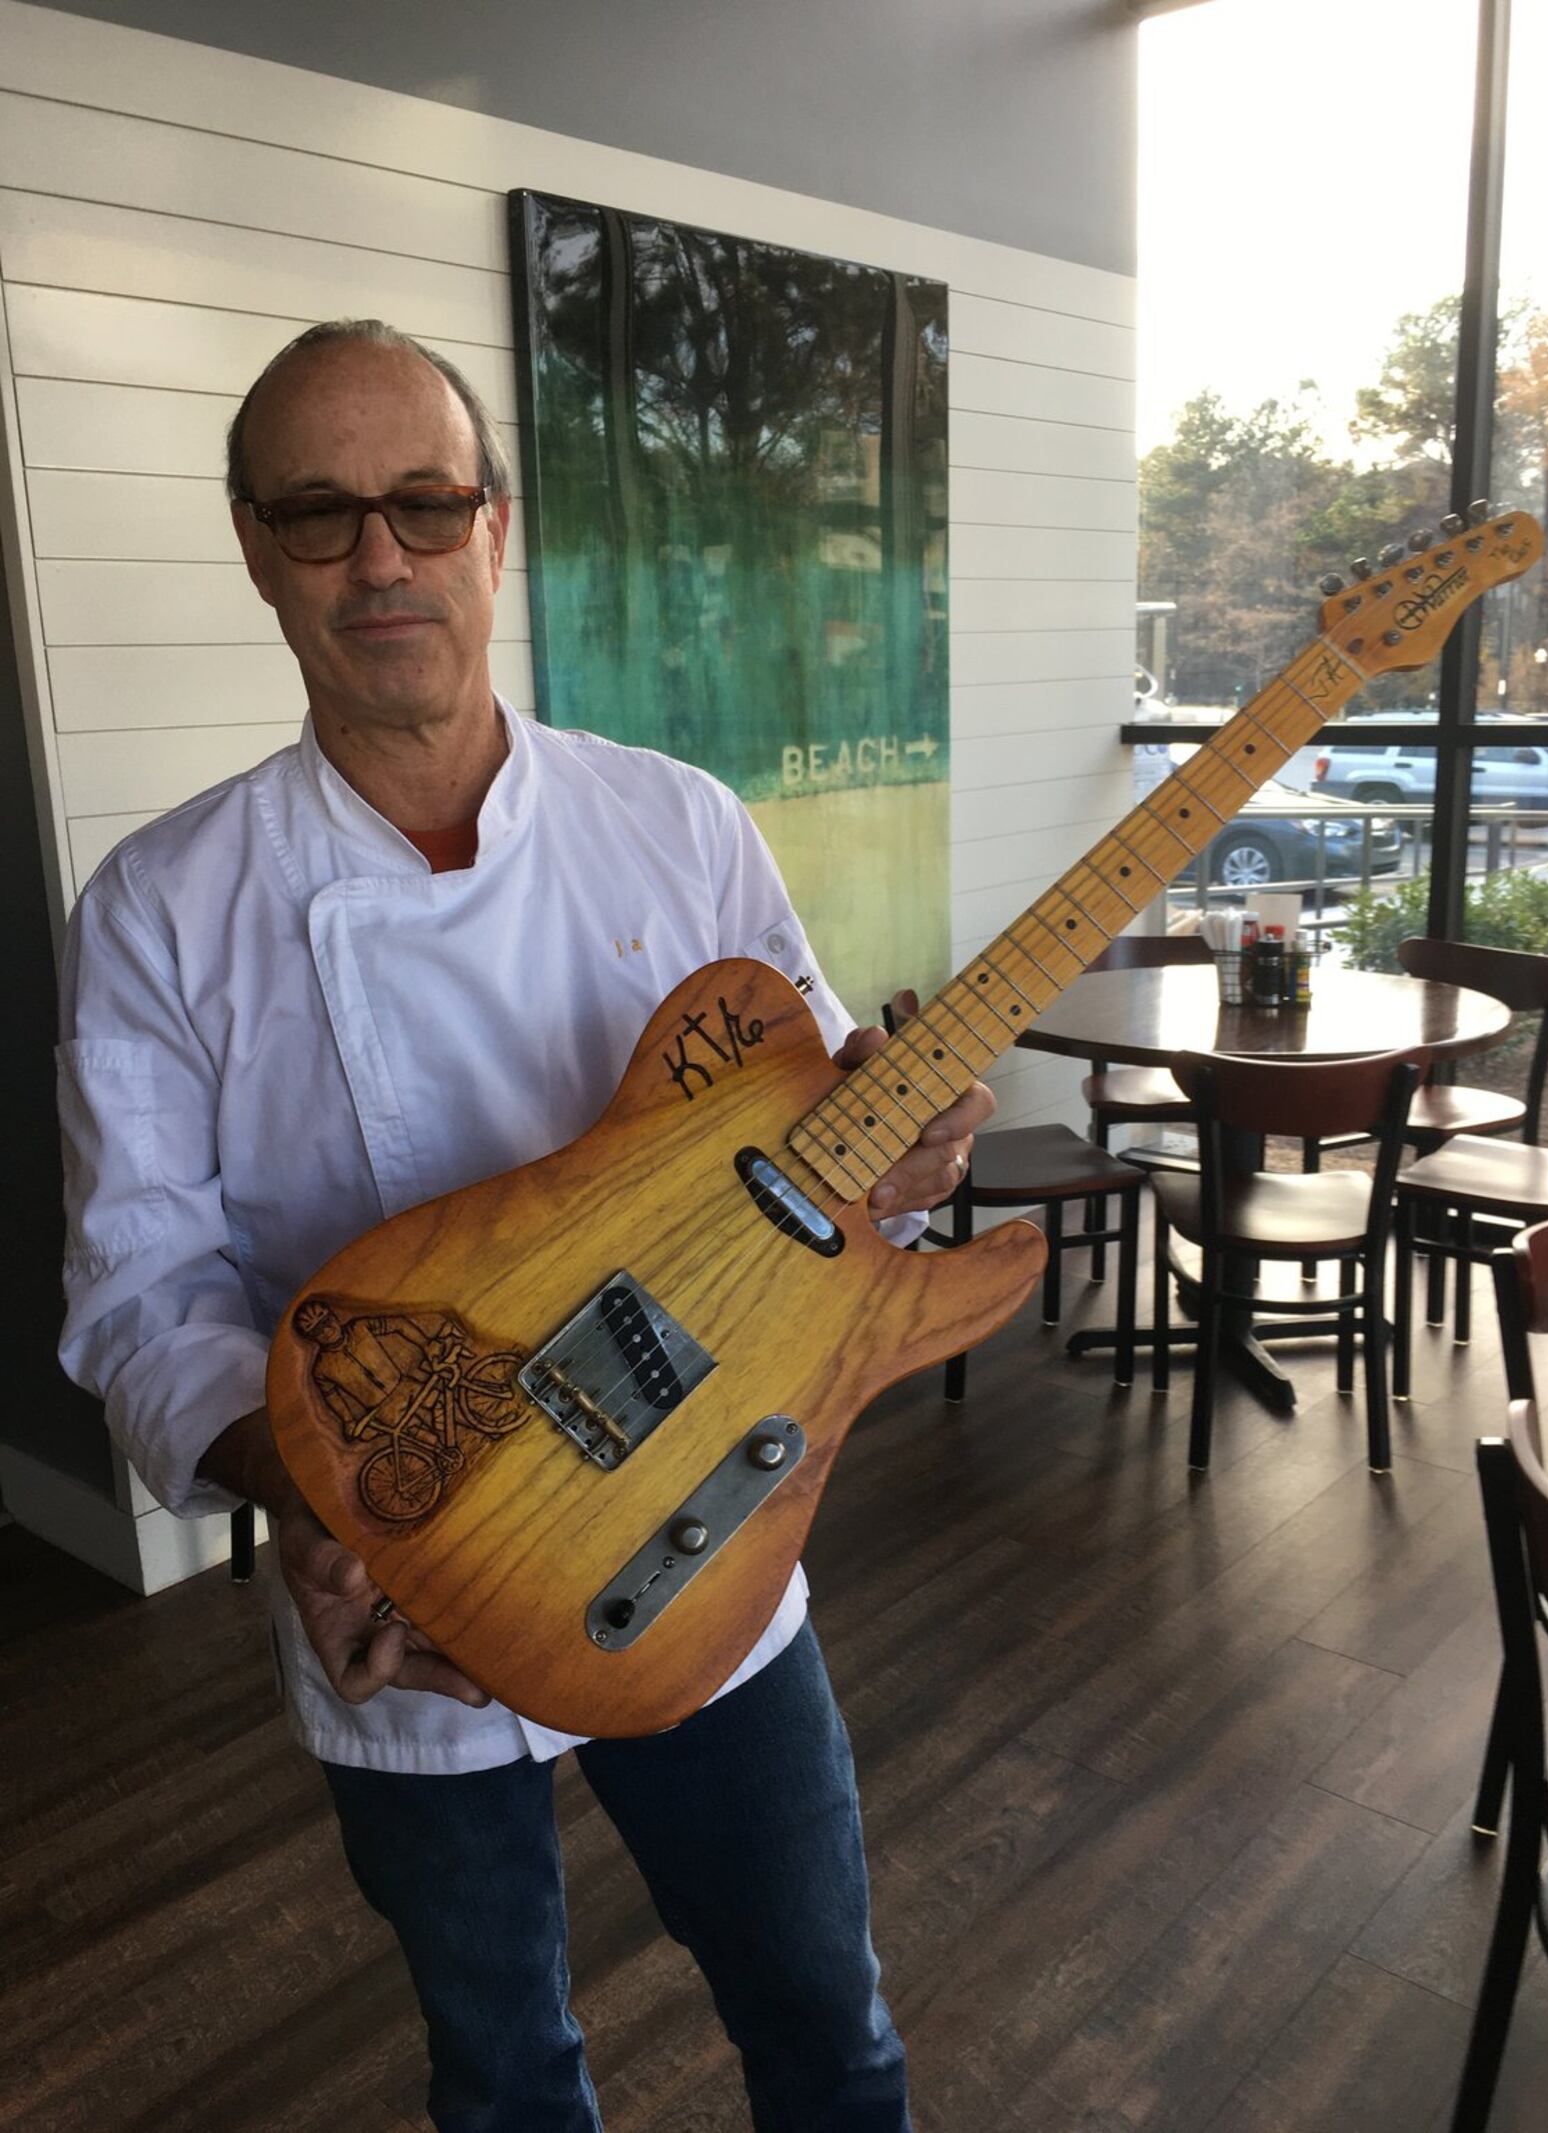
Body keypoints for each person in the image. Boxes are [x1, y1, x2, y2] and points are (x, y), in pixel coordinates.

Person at [56, 318, 993, 2133]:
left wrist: (900, 1154)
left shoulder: (681, 824)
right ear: (253, 547)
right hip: (404, 1599)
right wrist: (342, 1498)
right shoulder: (164, 906)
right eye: (320, 515)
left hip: (715, 1524)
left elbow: (821, 1170)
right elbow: (145, 1289)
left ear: (498, 530)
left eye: (422, 501)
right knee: (503, 2074)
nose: (379, 557)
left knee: (826, 2023)